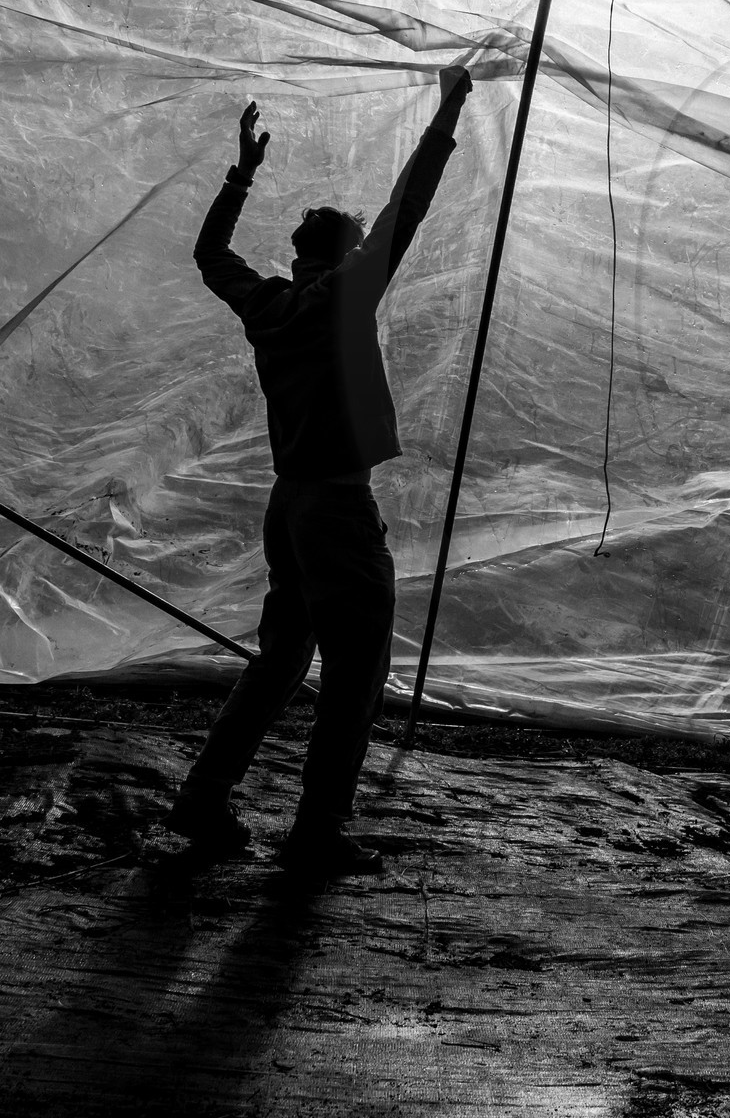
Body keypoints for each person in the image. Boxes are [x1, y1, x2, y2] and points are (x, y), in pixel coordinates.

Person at [165, 68, 472, 877]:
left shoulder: (266, 305)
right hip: (335, 510)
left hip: (290, 502)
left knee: (281, 660)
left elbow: (207, 254)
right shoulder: (346, 293)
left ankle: (204, 794)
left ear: (297, 255)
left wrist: (241, 174)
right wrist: (450, 107)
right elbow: (408, 207)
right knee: (357, 665)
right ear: (341, 254)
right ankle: (318, 828)